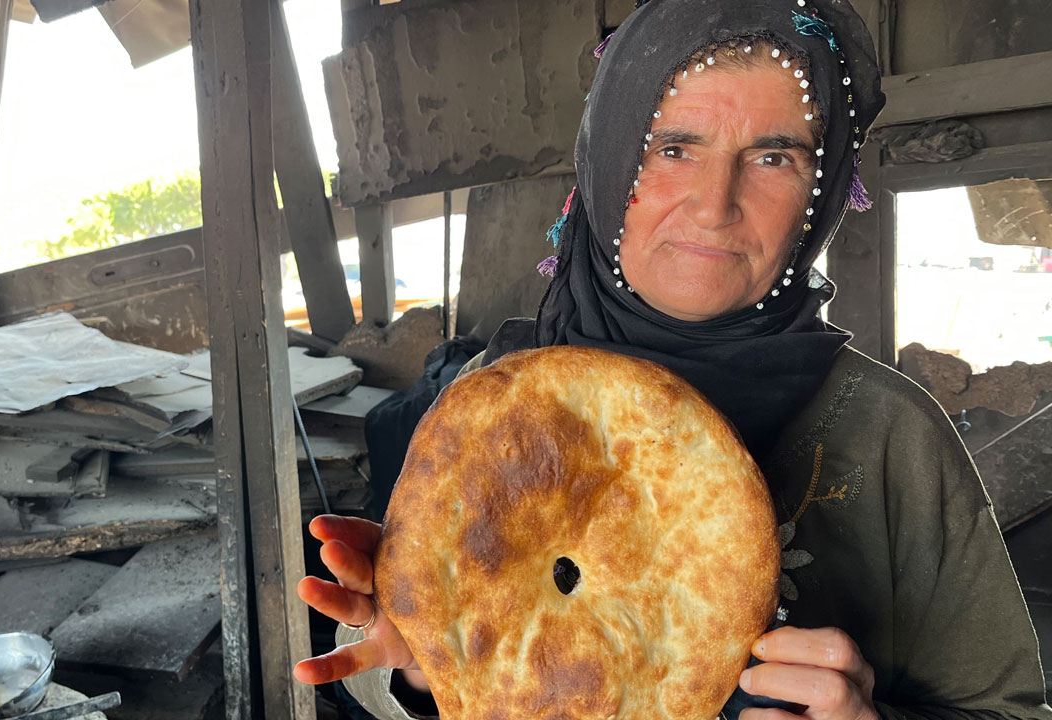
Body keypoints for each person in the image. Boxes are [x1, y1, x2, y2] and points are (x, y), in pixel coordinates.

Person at [294, 0, 1052, 718]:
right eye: (674, 147)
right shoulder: (493, 405)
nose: (714, 202)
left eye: (774, 156)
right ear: (608, 162)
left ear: (817, 196)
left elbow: (1010, 709)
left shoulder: (893, 436)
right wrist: (420, 675)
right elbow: (380, 662)